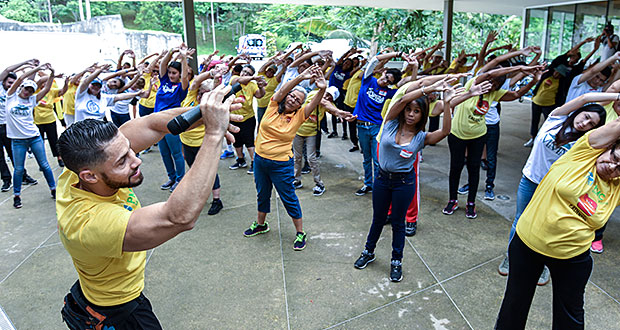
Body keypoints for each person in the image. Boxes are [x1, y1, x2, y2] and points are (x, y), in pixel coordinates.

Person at [56, 84, 240, 329]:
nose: (137, 159)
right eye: (122, 161)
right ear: (89, 176)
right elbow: (178, 217)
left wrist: (205, 113)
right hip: (118, 310)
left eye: (130, 149)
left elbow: (154, 124)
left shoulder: (81, 168)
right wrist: (214, 133)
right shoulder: (88, 223)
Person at [495, 101, 620, 329]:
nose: (613, 167)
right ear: (607, 147)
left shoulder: (617, 186)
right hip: (528, 245)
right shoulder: (583, 154)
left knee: (570, 318)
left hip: (572, 257)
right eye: (615, 158)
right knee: (514, 305)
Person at [353, 78, 471, 282]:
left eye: (416, 112)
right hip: (382, 179)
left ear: (422, 115)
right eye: (409, 110)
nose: (410, 115)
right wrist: (429, 88)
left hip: (403, 183)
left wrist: (448, 103)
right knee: (378, 219)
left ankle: (396, 261)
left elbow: (445, 132)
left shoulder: (421, 137)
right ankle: (368, 251)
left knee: (398, 223)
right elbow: (403, 98)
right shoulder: (390, 122)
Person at [497, 92, 607, 286]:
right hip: (531, 180)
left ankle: (542, 266)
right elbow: (585, 98)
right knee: (520, 220)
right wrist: (617, 96)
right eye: (586, 117)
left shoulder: (583, 143)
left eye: (591, 124)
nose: (585, 124)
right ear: (579, 112)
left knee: (548, 227)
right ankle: (511, 257)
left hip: (554, 191)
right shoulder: (555, 120)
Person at [243, 65, 326, 251]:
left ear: (300, 106)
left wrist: (322, 88)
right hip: (260, 161)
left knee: (288, 197)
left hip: (281, 164)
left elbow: (314, 103)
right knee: (262, 193)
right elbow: (282, 89)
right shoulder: (273, 105)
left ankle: (300, 232)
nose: (293, 100)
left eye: (298, 100)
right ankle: (261, 224)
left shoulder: (299, 116)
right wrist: (300, 77)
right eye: (292, 96)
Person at [443, 65, 542, 218]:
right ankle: (452, 200)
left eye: (496, 85)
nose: (491, 87)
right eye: (491, 82)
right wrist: (521, 67)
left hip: (478, 136)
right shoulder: (473, 85)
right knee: (455, 168)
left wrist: (534, 81)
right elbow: (489, 72)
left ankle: (471, 203)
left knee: (474, 169)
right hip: (457, 135)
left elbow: (516, 94)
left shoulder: (494, 94)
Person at [5, 63, 57, 209]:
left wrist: (52, 73)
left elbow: (46, 88)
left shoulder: (32, 100)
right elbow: (21, 77)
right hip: (17, 141)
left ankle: (53, 189)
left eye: (30, 90)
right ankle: (17, 196)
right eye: (26, 89)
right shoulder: (11, 97)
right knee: (19, 169)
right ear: (21, 88)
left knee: (45, 165)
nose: (27, 92)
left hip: (34, 137)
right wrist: (38, 68)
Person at [352, 51, 404, 196]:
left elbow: (405, 91)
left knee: (377, 160)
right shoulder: (369, 80)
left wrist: (413, 68)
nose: (385, 81)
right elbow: (374, 59)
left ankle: (378, 186)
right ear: (384, 72)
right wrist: (398, 54)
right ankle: (368, 184)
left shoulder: (387, 92)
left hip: (376, 127)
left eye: (389, 81)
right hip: (361, 126)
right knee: (366, 159)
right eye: (386, 77)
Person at [292, 86, 355, 195]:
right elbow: (323, 102)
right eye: (327, 93)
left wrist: (342, 115)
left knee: (312, 158)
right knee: (297, 157)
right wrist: (338, 111)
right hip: (298, 131)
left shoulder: (329, 104)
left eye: (330, 97)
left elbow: (332, 109)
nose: (326, 97)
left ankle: (319, 184)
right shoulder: (314, 94)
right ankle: (296, 180)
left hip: (311, 133)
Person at [180, 70, 225, 215]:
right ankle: (198, 196)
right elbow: (195, 82)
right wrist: (211, 73)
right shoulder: (191, 97)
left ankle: (217, 200)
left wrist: (217, 81)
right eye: (200, 92)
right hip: (187, 143)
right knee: (194, 171)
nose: (201, 95)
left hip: (202, 145)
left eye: (206, 93)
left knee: (210, 172)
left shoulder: (211, 107)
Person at [154, 46, 192, 192]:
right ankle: (171, 177)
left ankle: (180, 179)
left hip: (171, 123)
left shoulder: (181, 87)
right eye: (169, 72)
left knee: (176, 152)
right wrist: (172, 51)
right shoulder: (164, 82)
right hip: (158, 122)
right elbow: (163, 64)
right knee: (164, 153)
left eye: (174, 73)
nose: (171, 75)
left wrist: (183, 58)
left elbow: (184, 76)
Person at [0, 59, 39, 192]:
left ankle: (23, 176)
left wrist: (35, 67)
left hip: (10, 127)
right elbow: (6, 70)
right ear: (4, 81)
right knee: (0, 157)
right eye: (9, 83)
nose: (11, 85)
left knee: (14, 154)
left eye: (13, 83)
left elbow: (30, 81)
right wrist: (25, 63)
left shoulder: (16, 92)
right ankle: (6, 180)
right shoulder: (0, 87)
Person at [228, 64, 266, 173]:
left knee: (249, 141)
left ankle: (254, 163)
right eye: (244, 71)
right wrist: (254, 77)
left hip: (248, 118)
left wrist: (260, 86)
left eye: (248, 73)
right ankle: (240, 160)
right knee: (236, 140)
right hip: (234, 116)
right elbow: (238, 79)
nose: (245, 74)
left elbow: (260, 95)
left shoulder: (252, 85)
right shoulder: (234, 79)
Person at [33, 74, 68, 168]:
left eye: (46, 83)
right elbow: (40, 80)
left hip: (50, 119)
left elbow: (62, 91)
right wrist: (54, 75)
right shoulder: (35, 91)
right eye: (44, 83)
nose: (44, 84)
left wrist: (66, 83)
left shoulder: (51, 91)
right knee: (40, 143)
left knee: (54, 140)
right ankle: (42, 162)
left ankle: (59, 158)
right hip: (37, 121)